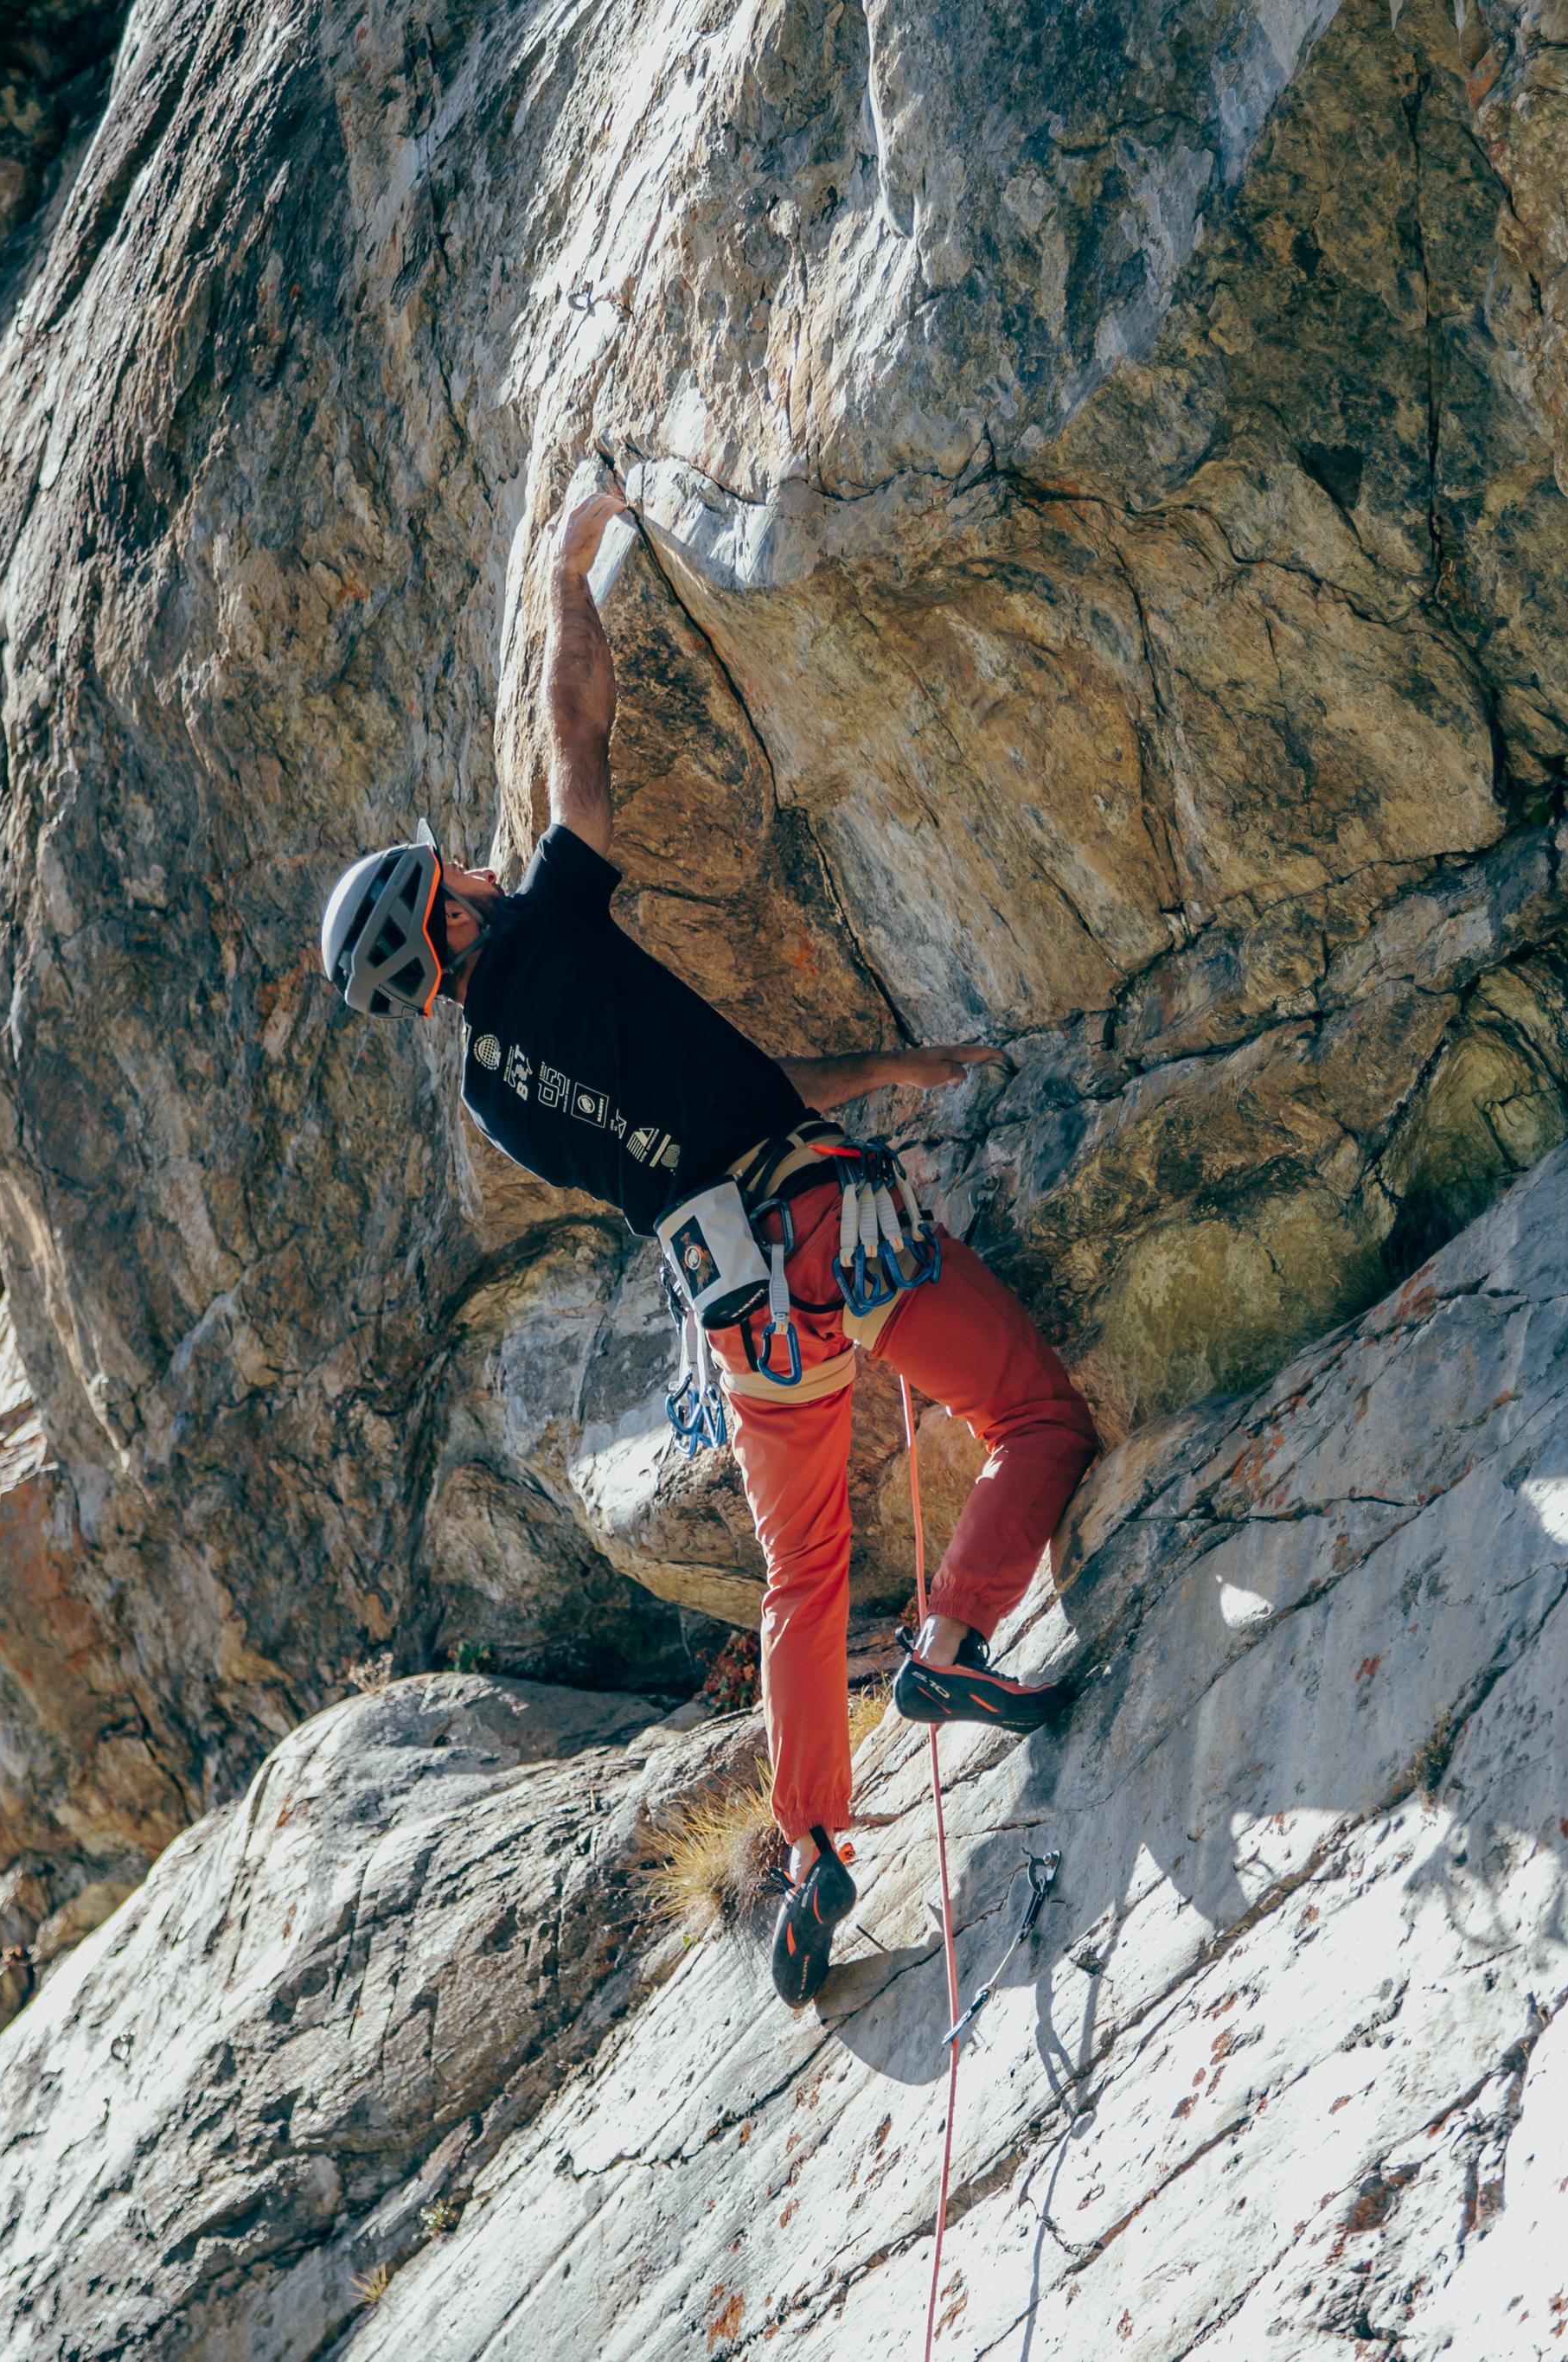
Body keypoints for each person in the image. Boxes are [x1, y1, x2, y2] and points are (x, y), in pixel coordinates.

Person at [316, 480, 1100, 2008]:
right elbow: (577, 728)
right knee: (1035, 1414)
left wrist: (886, 1068)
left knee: (800, 1577)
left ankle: (814, 1853)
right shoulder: (545, 930)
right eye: (453, 880)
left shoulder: (489, 1097)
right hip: (828, 1227)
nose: (476, 872)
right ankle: (955, 1632)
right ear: (450, 916)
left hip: (741, 1314)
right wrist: (564, 568)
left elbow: (704, 1105)